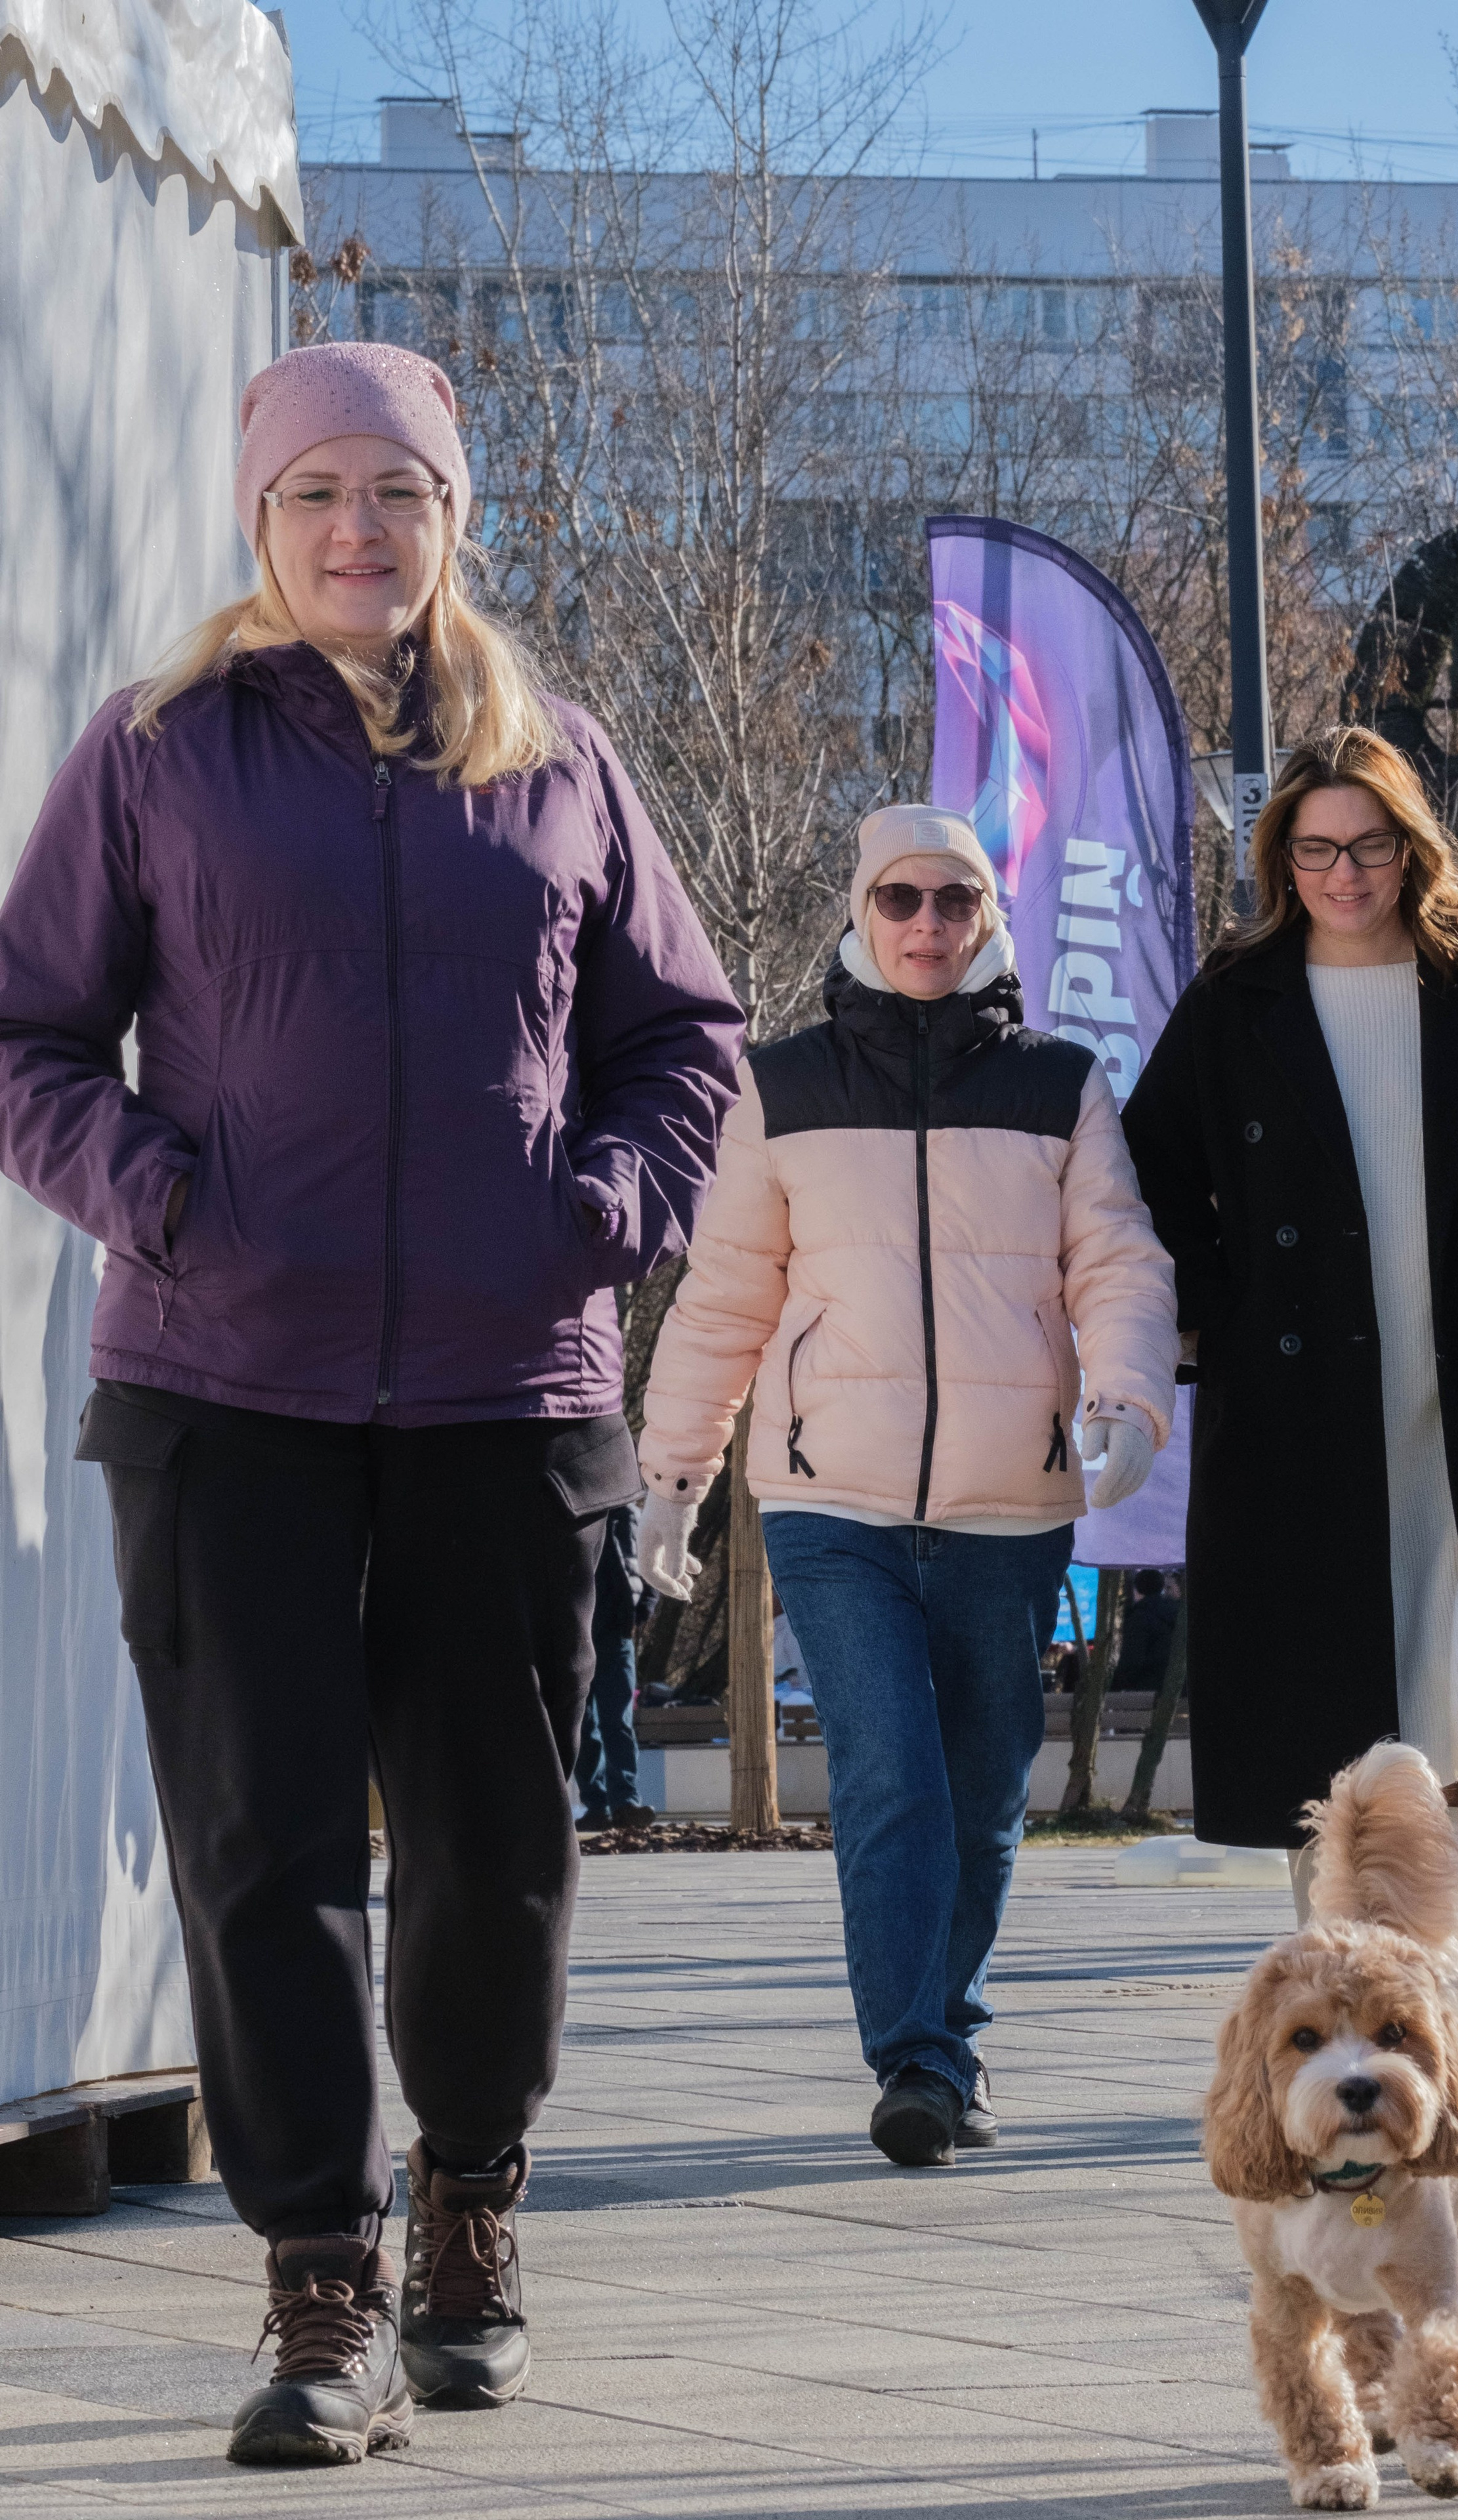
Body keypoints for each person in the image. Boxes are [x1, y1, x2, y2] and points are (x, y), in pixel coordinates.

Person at [0, 341, 741, 2464]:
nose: (359, 528)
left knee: (498, 1847)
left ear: (451, 521)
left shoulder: (561, 760)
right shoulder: (159, 752)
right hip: (222, 1385)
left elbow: (686, 1036)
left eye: (398, 492)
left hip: (511, 1392)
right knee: (265, 1845)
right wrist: (159, 1196)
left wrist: (606, 1209)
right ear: (263, 519)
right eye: (319, 490)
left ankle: (472, 2202)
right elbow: (25, 1035)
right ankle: (319, 2274)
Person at [635, 804, 1181, 2164]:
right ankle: (918, 2062)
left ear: (987, 917)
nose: (926, 925)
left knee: (985, 1788)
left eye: (953, 901)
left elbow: (1117, 1262)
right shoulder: (782, 1084)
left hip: (1009, 1503)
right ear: (860, 912)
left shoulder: (1060, 1085)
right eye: (899, 899)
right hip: (833, 1502)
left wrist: (1126, 1399)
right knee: (889, 1773)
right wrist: (673, 1472)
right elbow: (723, 1295)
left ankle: (946, 2034)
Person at [1121, 726, 1458, 2007]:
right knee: (1328, 1745)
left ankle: (1446, 2018)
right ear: (1281, 861)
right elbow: (1145, 1174)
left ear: (1410, 851)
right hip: (1299, 1422)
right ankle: (1349, 2015)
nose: (1343, 874)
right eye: (1315, 851)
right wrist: (1220, 1309)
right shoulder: (1235, 1004)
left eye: (1367, 846)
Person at [577, 1502, 656, 1830]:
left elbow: (650, 1563)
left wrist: (643, 1609)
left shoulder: (631, 1514)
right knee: (583, 1725)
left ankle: (626, 1803)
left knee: (618, 1722)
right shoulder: (573, 1507)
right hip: (575, 1633)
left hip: (616, 1633)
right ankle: (596, 1806)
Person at [1115, 1568, 1178, 1696]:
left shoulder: (1139, 1618)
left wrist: (1117, 1684)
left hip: (1148, 1689)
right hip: (1179, 1687)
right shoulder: (1178, 1613)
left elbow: (1133, 1659)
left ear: (1137, 1590)